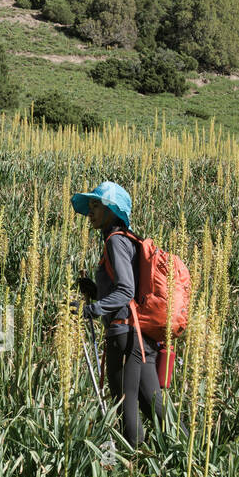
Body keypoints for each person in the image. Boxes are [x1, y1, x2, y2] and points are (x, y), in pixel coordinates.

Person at [72, 181, 164, 450]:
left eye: (96, 205)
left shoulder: (115, 242)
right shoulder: (128, 241)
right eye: (90, 206)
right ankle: (186, 456)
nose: (91, 212)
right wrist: (95, 290)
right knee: (153, 406)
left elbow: (125, 290)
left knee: (125, 406)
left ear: (113, 210)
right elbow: (126, 290)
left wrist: (91, 310)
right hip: (140, 338)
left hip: (123, 335)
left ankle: (130, 467)